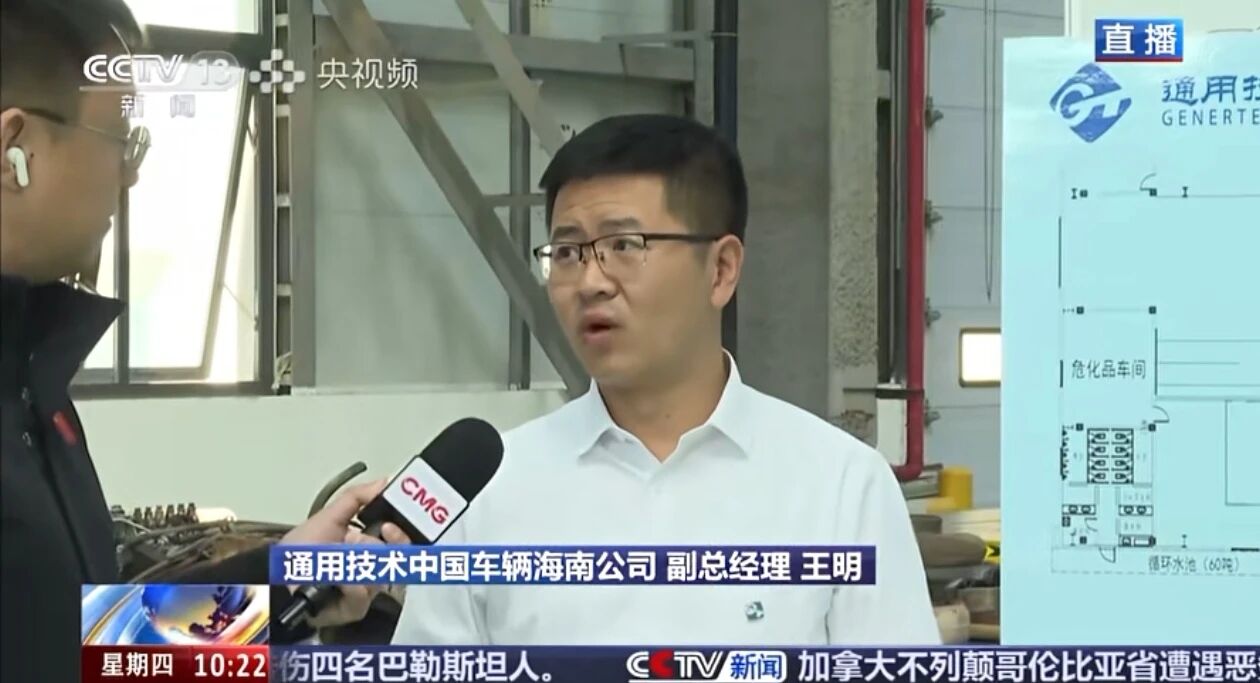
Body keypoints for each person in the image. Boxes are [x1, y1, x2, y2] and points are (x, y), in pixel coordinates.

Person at [391, 114, 940, 645]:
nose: (590, 282)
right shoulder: (488, 494)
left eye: (624, 246)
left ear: (721, 270)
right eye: (567, 252)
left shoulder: (841, 486)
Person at [0, 1, 407, 680]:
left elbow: (94, 644)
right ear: (16, 150)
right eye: (120, 139)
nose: (130, 173)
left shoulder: (33, 384)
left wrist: (284, 583)